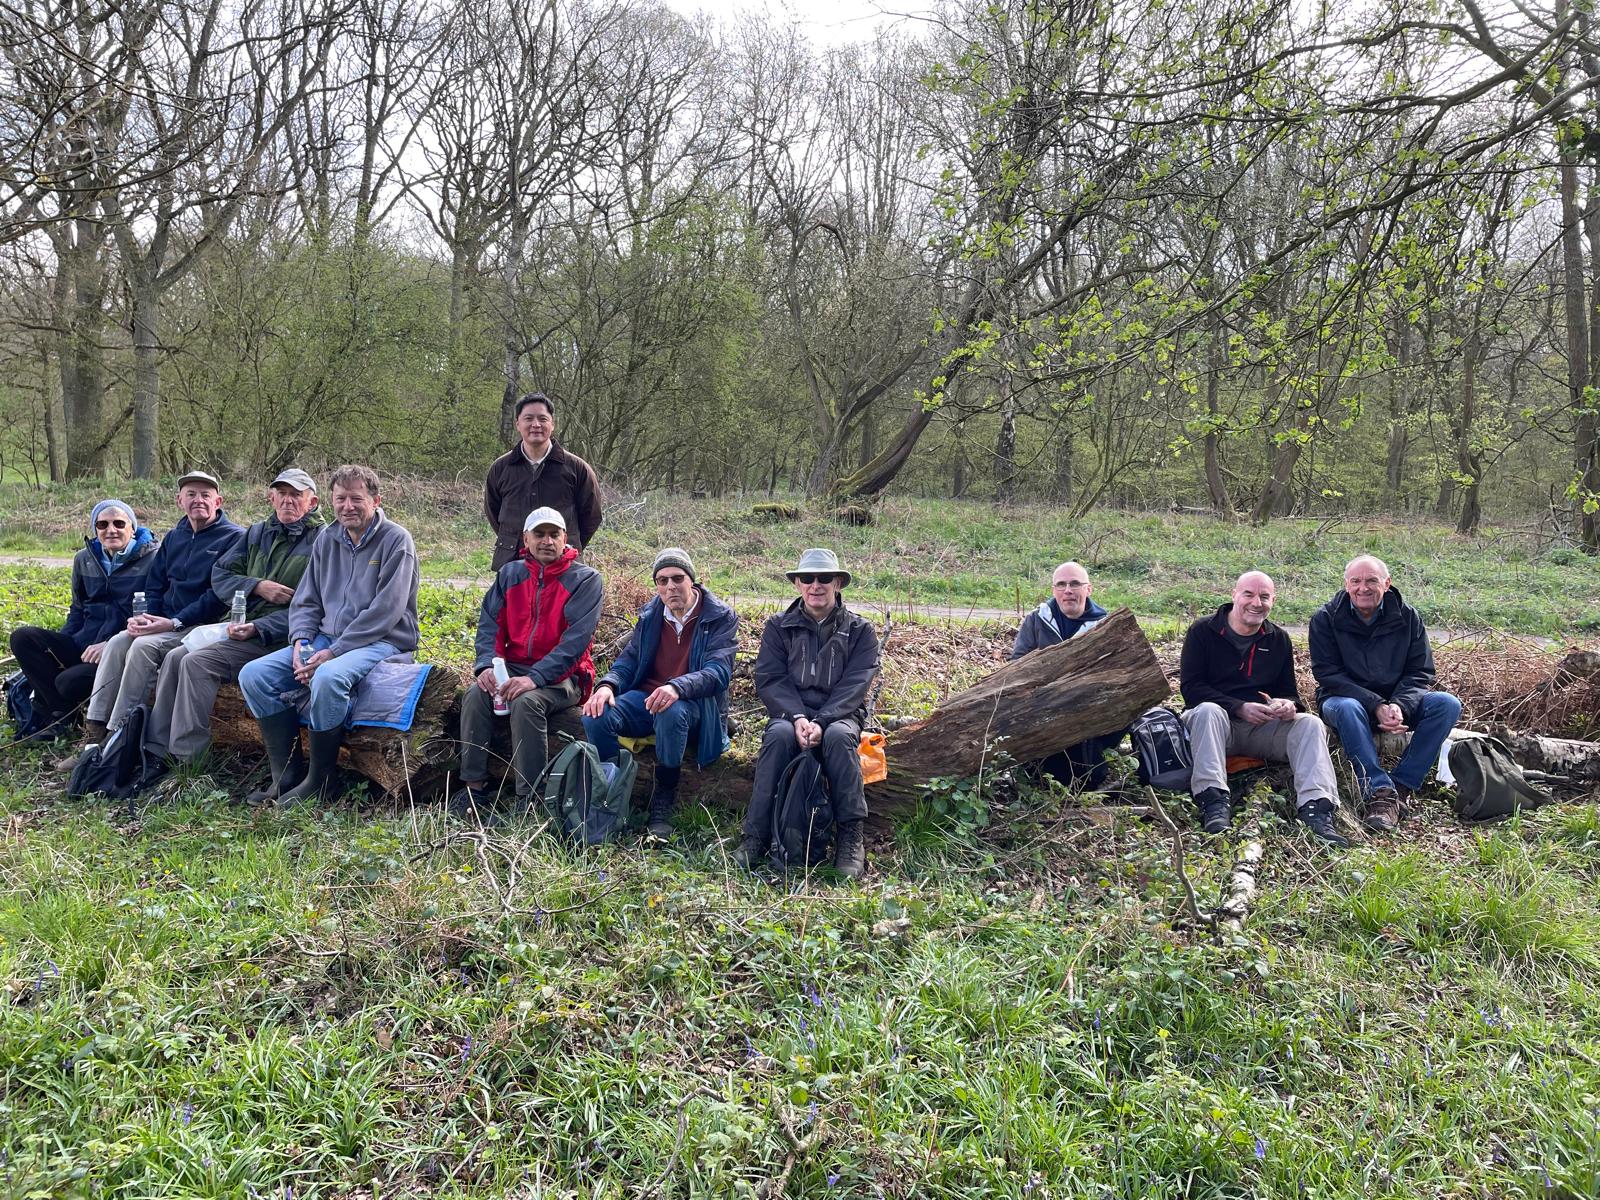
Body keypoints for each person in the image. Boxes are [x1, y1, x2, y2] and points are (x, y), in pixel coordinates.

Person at [238, 465, 419, 806]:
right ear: (331, 501)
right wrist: (301, 641)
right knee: (254, 675)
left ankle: (322, 780)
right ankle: (286, 775)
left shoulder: (397, 540)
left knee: (328, 677)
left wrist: (334, 652)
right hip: (326, 638)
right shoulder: (327, 538)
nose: (347, 506)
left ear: (376, 501)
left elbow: (386, 611)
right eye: (340, 499)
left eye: (356, 499)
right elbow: (307, 599)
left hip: (383, 641)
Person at [144, 469, 325, 767]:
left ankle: (188, 760)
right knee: (175, 657)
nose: (287, 501)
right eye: (282, 494)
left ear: (312, 502)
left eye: (296, 495)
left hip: (281, 637)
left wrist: (259, 627)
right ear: (271, 498)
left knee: (195, 663)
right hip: (239, 627)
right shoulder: (258, 533)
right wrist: (257, 586)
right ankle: (155, 750)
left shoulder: (322, 541)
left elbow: (317, 608)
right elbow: (221, 575)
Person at [737, 548, 880, 879]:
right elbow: (771, 678)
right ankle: (756, 835)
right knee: (777, 736)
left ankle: (850, 838)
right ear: (798, 584)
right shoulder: (778, 627)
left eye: (824, 578)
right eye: (807, 578)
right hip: (791, 714)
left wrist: (822, 721)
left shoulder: (861, 630)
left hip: (840, 714)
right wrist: (797, 717)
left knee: (839, 738)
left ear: (838, 583)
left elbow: (855, 685)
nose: (816, 585)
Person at [1178, 570, 1347, 846]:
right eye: (1249, 594)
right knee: (1209, 710)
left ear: (1273, 601)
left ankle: (1316, 810)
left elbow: (1288, 691)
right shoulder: (1203, 631)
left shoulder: (1278, 639)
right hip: (1214, 728)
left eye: (1264, 597)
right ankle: (1213, 801)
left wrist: (1287, 705)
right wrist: (1238, 707)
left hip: (1260, 729)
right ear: (1234, 595)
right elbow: (1191, 688)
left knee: (1311, 723)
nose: (1256, 603)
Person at [454, 506, 602, 818]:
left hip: (565, 676)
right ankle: (474, 788)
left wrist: (534, 678)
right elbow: (490, 625)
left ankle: (531, 799)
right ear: (526, 539)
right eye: (539, 534)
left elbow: (574, 645)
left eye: (554, 534)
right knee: (475, 695)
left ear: (565, 537)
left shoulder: (586, 580)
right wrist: (486, 666)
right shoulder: (510, 574)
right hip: (515, 666)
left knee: (526, 702)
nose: (547, 541)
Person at [580, 548, 738, 840]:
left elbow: (718, 672)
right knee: (595, 714)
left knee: (670, 710)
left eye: (677, 578)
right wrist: (607, 686)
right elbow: (629, 660)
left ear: (692, 580)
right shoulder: (651, 614)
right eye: (662, 581)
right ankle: (612, 790)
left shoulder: (719, 616)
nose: (670, 587)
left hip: (694, 705)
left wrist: (677, 687)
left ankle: (664, 797)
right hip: (646, 697)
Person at [79, 471, 244, 748]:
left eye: (205, 495)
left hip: (203, 627)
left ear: (218, 501)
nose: (198, 500)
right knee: (118, 642)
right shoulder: (174, 537)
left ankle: (119, 738)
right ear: (180, 500)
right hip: (165, 622)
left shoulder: (234, 538)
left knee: (143, 647)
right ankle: (94, 732)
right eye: (191, 494)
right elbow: (155, 585)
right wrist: (146, 618)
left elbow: (218, 595)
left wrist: (174, 621)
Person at [1309, 554, 1462, 832]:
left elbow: (1420, 671)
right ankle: (1378, 791)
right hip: (1344, 701)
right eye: (1355, 581)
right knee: (1347, 708)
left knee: (1447, 704)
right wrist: (1376, 705)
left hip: (1396, 703)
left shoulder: (1408, 617)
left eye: (1371, 580)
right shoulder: (1325, 619)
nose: (1363, 588)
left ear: (1387, 583)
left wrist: (1399, 705)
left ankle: (1401, 787)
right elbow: (1328, 675)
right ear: (1346, 584)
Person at [9, 500, 157, 740]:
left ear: (132, 528)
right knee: (23, 638)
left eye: (119, 524)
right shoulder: (84, 559)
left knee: (67, 682)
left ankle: (65, 709)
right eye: (103, 525)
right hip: (84, 642)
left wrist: (111, 642)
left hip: (119, 650)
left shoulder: (153, 559)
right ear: (95, 529)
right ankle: (61, 714)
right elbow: (77, 609)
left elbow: (154, 613)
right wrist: (62, 646)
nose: (111, 530)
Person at [1010, 560, 1119, 787]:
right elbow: (1016, 667)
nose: (1067, 590)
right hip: (1042, 708)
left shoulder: (1105, 625)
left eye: (1075, 584)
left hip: (1087, 714)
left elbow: (1114, 676)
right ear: (1054, 590)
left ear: (1088, 589)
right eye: (1061, 584)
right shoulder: (1036, 620)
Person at [483, 392, 603, 570]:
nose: (536, 425)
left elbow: (591, 515)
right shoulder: (500, 468)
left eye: (542, 419)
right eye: (528, 418)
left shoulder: (577, 468)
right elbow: (493, 513)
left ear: (552, 424)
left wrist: (562, 544)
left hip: (564, 566)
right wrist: (518, 540)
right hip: (514, 563)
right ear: (518, 424)